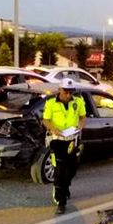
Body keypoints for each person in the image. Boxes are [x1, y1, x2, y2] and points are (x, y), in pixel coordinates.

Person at [42, 78, 86, 214]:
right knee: (60, 169)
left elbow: (83, 117)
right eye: (66, 91)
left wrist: (80, 126)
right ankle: (61, 202)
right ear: (60, 90)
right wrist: (53, 129)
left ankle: (64, 187)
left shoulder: (78, 102)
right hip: (57, 140)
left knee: (72, 168)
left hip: (72, 140)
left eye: (70, 92)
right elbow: (45, 120)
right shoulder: (51, 103)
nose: (68, 94)